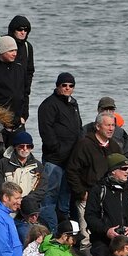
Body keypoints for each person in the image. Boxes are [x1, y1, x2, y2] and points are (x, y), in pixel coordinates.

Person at [37, 72, 82, 224]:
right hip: (54, 160)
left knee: (65, 198)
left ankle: (64, 230)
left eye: (71, 86)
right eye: (64, 85)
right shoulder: (48, 104)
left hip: (70, 161)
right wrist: (57, 148)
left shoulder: (73, 104)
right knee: (49, 197)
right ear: (58, 86)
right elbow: (46, 130)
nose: (67, 88)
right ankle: (49, 229)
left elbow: (78, 127)